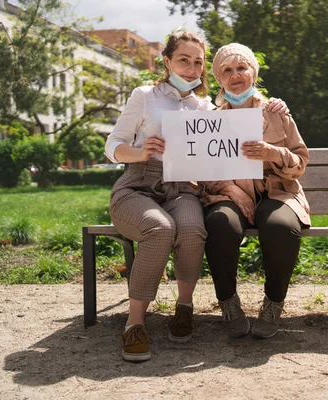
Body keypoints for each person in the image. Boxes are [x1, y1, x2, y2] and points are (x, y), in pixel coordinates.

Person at [105, 32, 288, 362]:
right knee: (159, 229)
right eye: (183, 60)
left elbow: (219, 155)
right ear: (167, 61)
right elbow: (112, 146)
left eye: (198, 62)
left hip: (183, 187)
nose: (191, 69)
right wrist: (138, 151)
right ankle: (134, 324)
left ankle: (184, 307)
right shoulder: (145, 95)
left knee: (192, 230)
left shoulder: (205, 107)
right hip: (138, 185)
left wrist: (232, 187)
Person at [202, 43, 310, 339]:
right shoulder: (209, 120)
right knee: (219, 223)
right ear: (219, 79)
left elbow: (300, 162)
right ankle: (228, 302)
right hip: (229, 195)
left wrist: (272, 153)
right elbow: (203, 173)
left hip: (277, 193)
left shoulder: (276, 112)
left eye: (241, 68)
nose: (235, 75)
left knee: (280, 226)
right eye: (227, 70)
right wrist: (232, 191)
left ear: (253, 72)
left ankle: (273, 303)